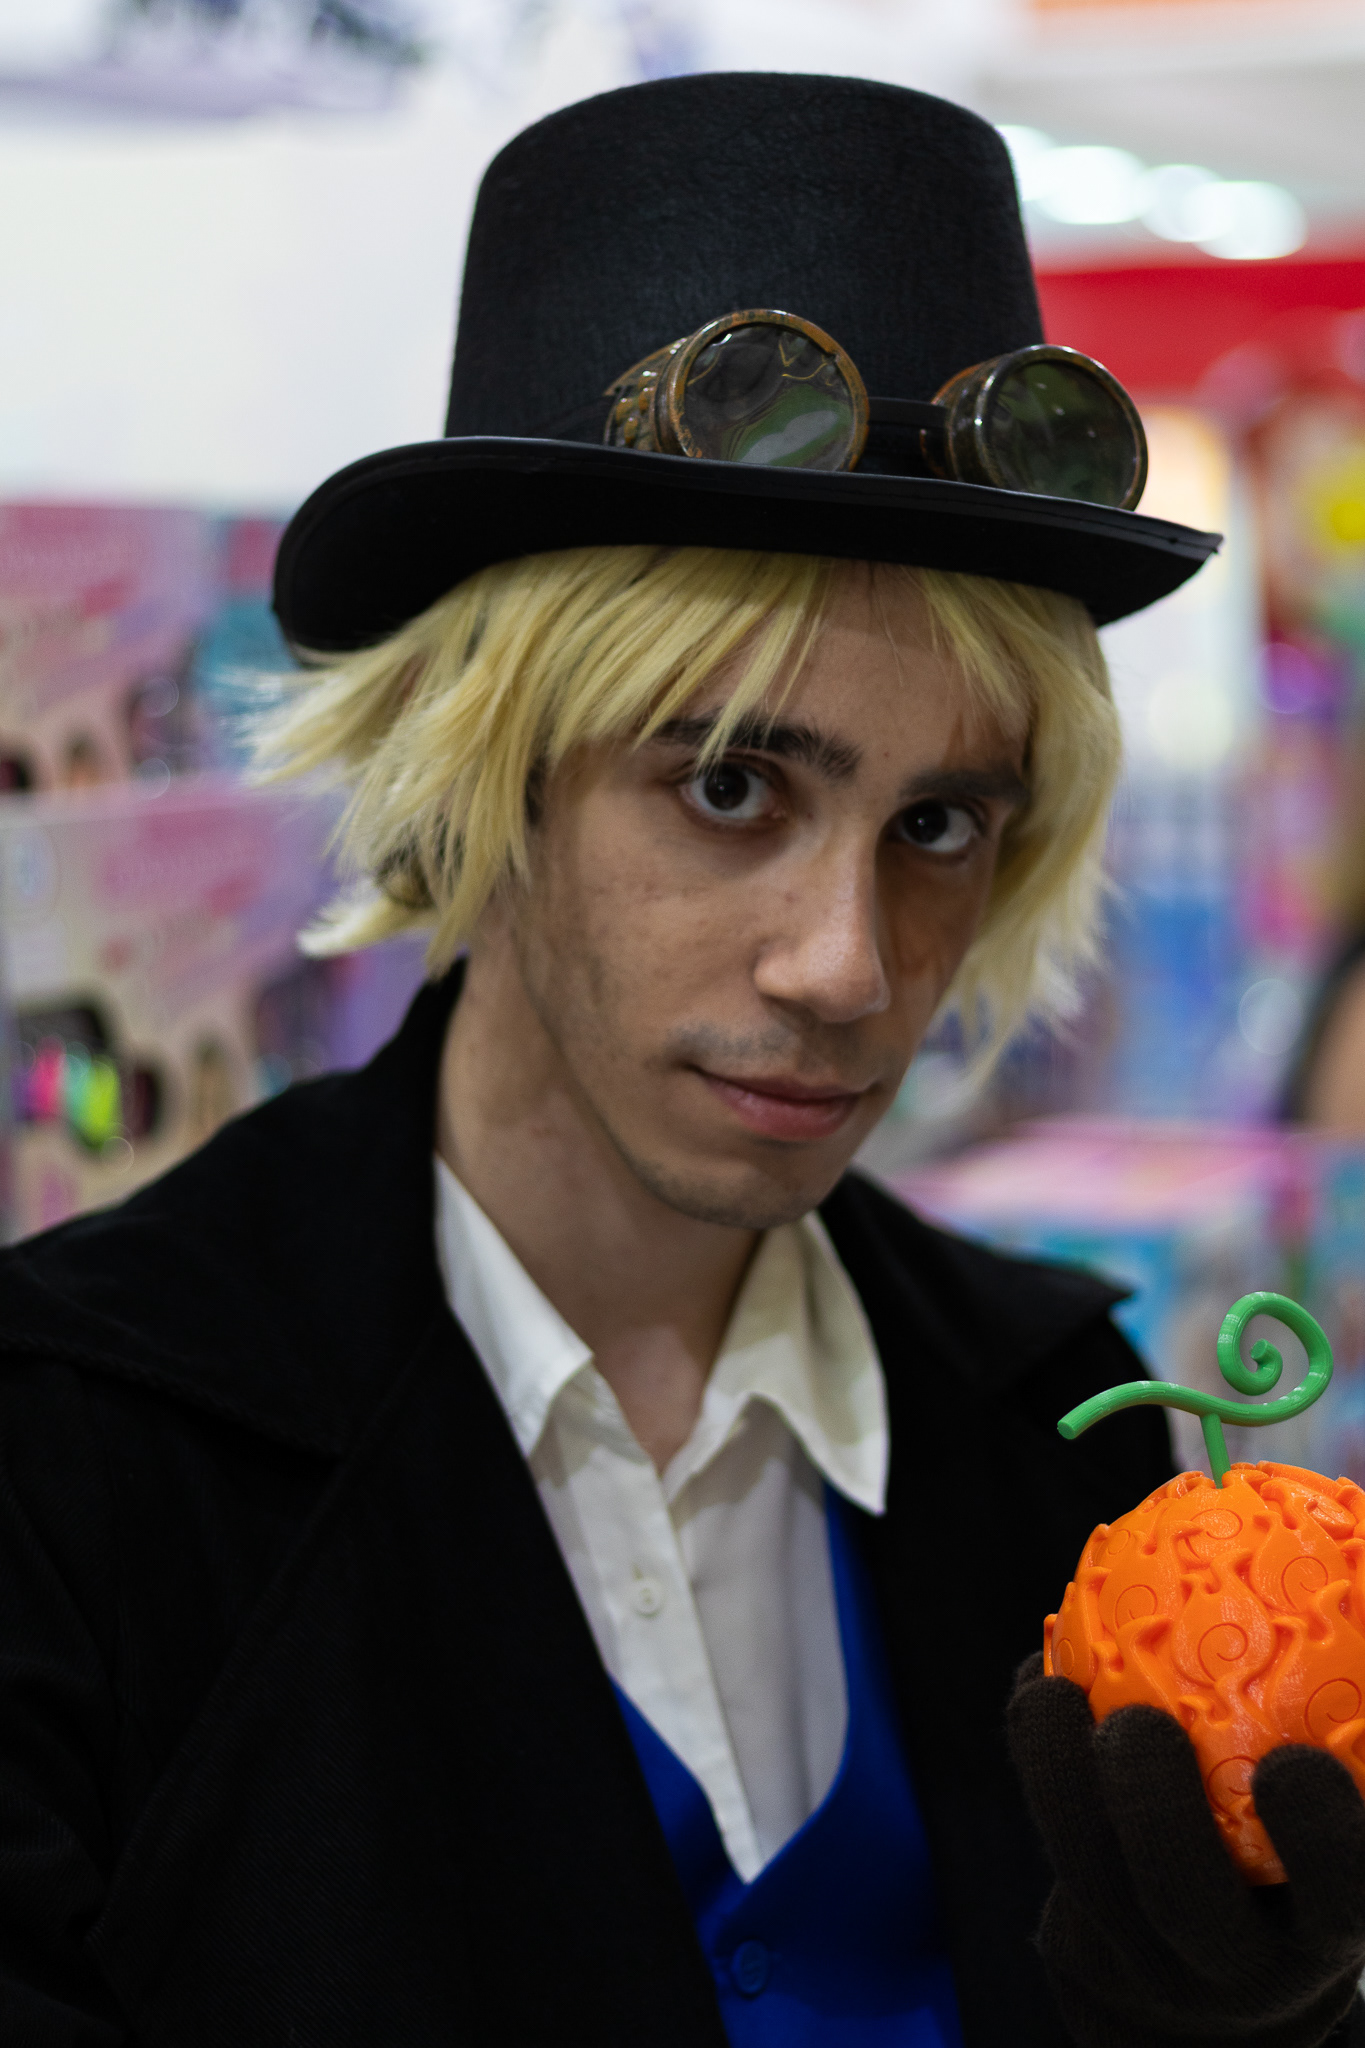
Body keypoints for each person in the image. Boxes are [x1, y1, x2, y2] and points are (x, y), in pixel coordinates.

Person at [0, 70, 1360, 2048]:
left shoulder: (1055, 1428)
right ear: (483, 781)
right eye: (728, 784)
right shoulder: (80, 1456)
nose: (844, 965)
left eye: (936, 823)